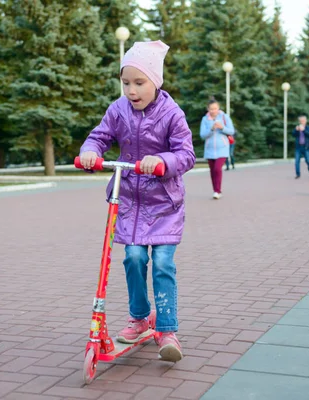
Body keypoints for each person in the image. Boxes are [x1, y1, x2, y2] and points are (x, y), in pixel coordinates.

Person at [79, 40, 195, 362]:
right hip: (130, 199)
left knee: (161, 263)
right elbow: (99, 135)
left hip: (163, 203)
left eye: (139, 82)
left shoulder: (172, 113)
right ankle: (140, 318)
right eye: (126, 82)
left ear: (155, 81)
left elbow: (186, 154)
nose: (131, 90)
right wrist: (91, 152)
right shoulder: (118, 110)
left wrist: (162, 161)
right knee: (132, 259)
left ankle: (168, 329)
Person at [200, 98, 236, 199]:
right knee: (212, 171)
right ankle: (215, 190)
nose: (213, 111)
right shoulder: (205, 119)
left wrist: (222, 127)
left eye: (215, 108)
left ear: (218, 108)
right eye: (211, 109)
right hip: (209, 150)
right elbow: (202, 135)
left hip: (222, 149)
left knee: (217, 169)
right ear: (208, 109)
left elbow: (231, 131)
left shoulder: (224, 117)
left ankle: (218, 190)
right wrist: (211, 129)